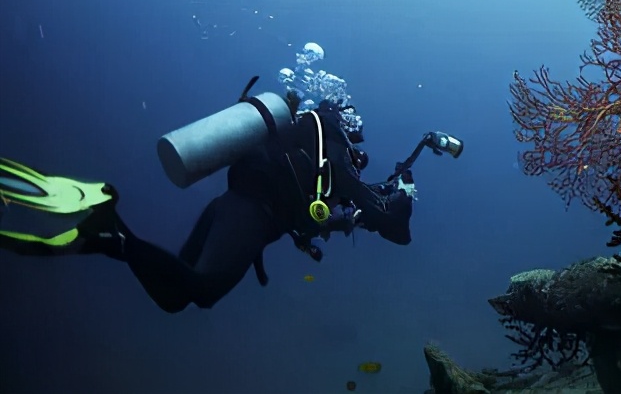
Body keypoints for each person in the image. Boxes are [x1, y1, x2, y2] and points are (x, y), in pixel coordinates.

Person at [0, 77, 462, 313]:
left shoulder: (306, 138)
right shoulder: (333, 148)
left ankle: (109, 236)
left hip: (231, 204)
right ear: (346, 122)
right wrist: (403, 194)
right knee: (200, 291)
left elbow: (343, 211)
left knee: (177, 299)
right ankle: (104, 212)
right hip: (250, 215)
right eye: (358, 140)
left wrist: (360, 209)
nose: (359, 151)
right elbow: (392, 227)